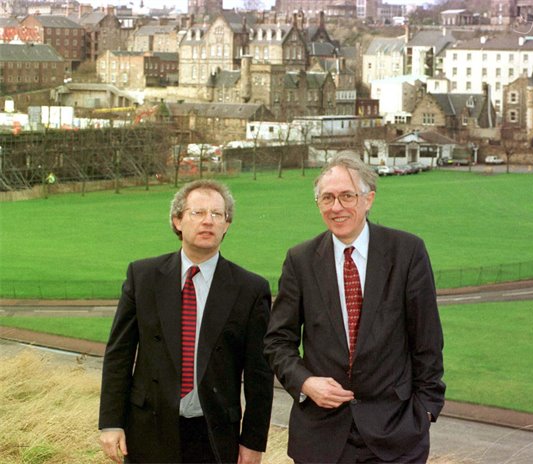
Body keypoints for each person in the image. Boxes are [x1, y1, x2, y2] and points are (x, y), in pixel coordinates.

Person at [264, 154, 446, 463]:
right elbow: (277, 342)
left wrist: (426, 411)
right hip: (321, 437)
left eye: (347, 196)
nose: (337, 207)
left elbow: (427, 339)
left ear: (368, 199)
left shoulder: (407, 252)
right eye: (328, 198)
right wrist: (306, 383)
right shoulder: (301, 260)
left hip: (396, 435)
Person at [99, 179, 274, 464]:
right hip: (147, 429)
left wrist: (253, 442)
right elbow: (119, 354)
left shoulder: (250, 288)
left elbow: (259, 374)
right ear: (177, 220)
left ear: (227, 224)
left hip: (214, 433)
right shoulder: (142, 277)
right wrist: (110, 422)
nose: (208, 221)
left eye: (217, 214)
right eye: (198, 213)